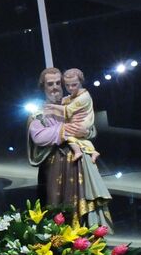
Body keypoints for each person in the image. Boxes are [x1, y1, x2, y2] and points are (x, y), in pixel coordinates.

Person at [26, 68, 112, 230]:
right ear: (43, 87)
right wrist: (64, 130)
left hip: (80, 164)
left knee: (82, 203)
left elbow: (89, 127)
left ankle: (85, 236)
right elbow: (38, 136)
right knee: (57, 206)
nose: (55, 87)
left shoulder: (72, 104)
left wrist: (86, 131)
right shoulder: (39, 113)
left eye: (58, 83)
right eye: (50, 84)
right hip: (54, 166)